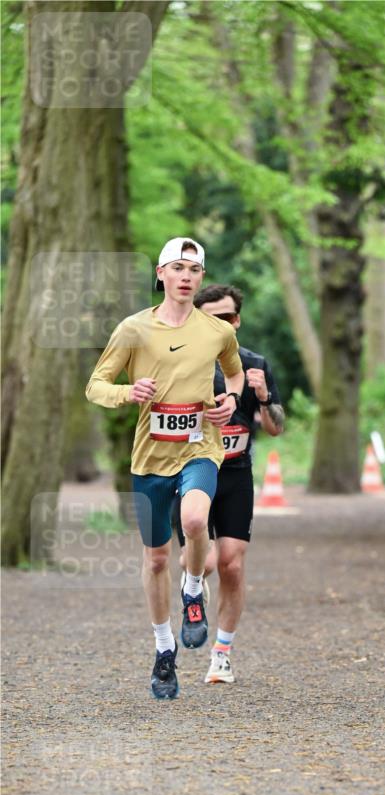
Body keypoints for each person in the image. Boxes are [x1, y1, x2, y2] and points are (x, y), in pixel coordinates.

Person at [85, 238, 245, 701]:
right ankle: (163, 649)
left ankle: (193, 589)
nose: (186, 276)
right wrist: (128, 392)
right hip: (149, 458)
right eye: (178, 268)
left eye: (194, 269)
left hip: (200, 448)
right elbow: (96, 385)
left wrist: (229, 400)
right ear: (161, 274)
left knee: (196, 520)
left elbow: (232, 375)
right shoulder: (134, 329)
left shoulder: (217, 331)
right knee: (155, 559)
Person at [171, 284, 285, 685]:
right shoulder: (182, 362)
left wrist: (264, 394)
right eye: (213, 317)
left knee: (231, 564)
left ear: (238, 320)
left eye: (229, 317)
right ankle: (192, 586)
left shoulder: (254, 364)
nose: (224, 324)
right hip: (191, 469)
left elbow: (275, 428)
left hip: (235, 474)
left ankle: (221, 655)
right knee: (196, 561)